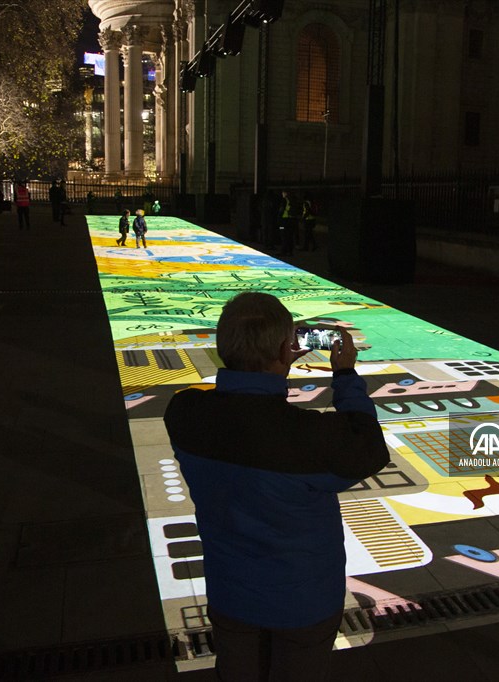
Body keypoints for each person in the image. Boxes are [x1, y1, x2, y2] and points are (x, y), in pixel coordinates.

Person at [164, 292, 389, 682]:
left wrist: (271, 363)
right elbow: (367, 447)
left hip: (230, 593)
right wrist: (345, 375)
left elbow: (239, 416)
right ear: (287, 348)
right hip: (304, 603)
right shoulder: (310, 436)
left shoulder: (186, 413)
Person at [277, 190, 297, 256]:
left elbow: (281, 210)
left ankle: (283, 251)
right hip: (290, 221)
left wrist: (278, 220)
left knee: (283, 235)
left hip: (283, 221)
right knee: (290, 236)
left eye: (283, 193)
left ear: (285, 193)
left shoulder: (284, 200)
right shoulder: (292, 200)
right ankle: (290, 251)